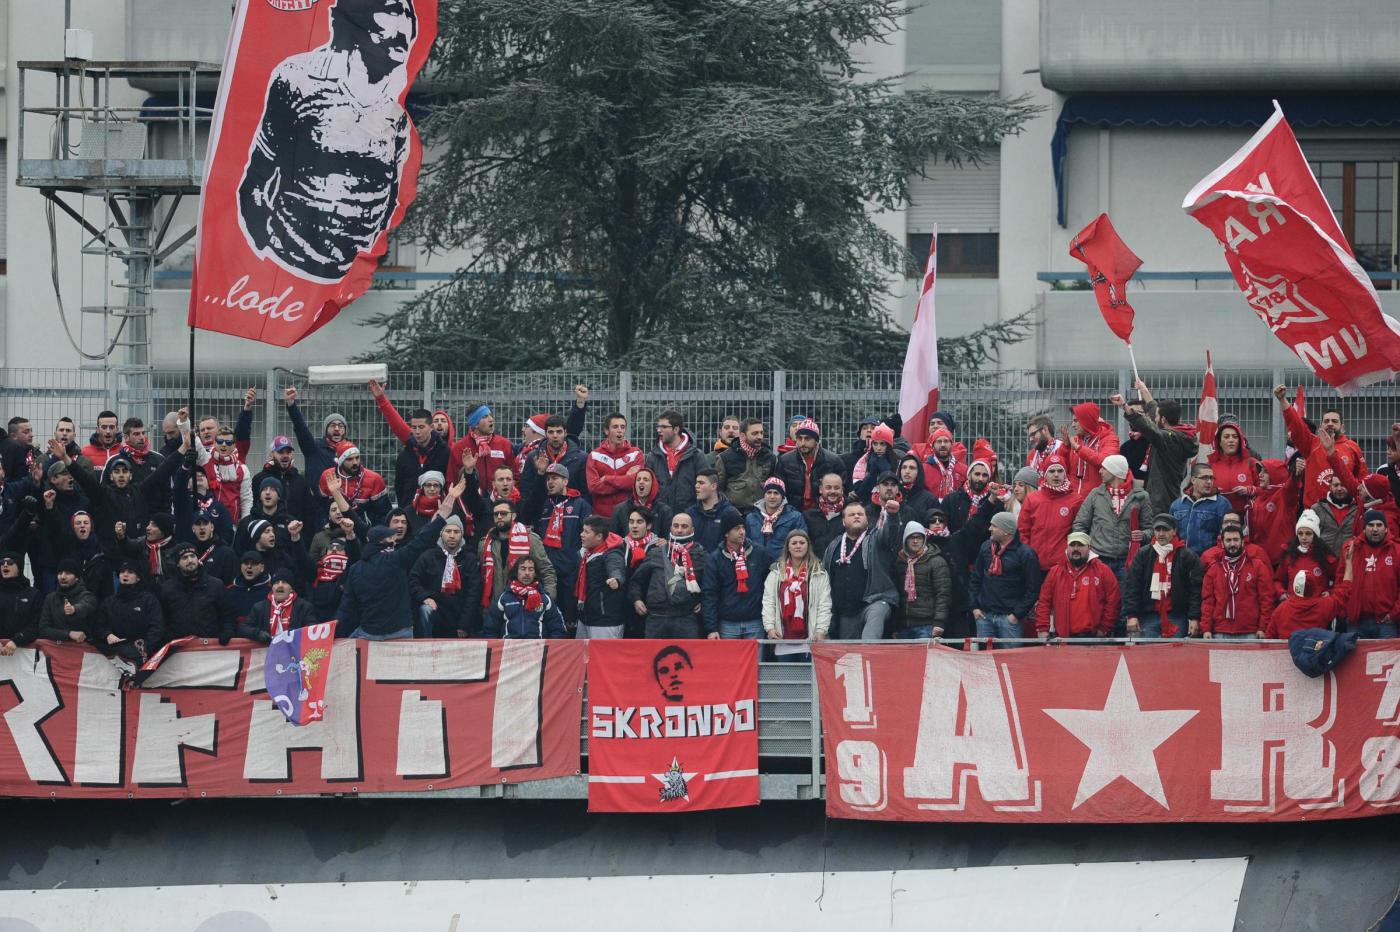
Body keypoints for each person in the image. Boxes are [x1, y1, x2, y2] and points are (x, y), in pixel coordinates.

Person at [238, 0, 418, 278]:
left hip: (349, 274)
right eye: (394, 10)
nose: (406, 23)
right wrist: (263, 252)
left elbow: (391, 196)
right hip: (286, 261)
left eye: (408, 14)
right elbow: (259, 174)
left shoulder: (396, 108)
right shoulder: (299, 79)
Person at [339, 478, 464, 640]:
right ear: (385, 541)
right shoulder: (396, 559)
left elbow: (347, 608)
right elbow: (422, 540)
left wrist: (335, 633)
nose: (397, 532)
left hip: (369, 632)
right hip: (400, 631)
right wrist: (444, 513)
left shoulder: (356, 568)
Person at [1112, 380, 1198, 516]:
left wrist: (1125, 406)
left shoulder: (1169, 439)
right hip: (1163, 496)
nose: (1154, 419)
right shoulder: (1180, 434)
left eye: (1156, 417)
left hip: (1161, 501)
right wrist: (1144, 391)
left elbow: (1150, 429)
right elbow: (1154, 411)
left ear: (1163, 420)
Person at [1275, 384, 1367, 507]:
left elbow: (1362, 478)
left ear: (1342, 427)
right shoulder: (1311, 443)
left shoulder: (1353, 447)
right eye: (1326, 421)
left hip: (1346, 509)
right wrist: (1283, 400)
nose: (1330, 424)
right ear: (1321, 425)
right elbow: (1296, 425)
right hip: (1314, 510)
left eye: (1334, 421)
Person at [524, 463, 591, 630]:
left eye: (554, 478)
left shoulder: (580, 504)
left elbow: (588, 534)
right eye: (548, 479)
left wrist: (577, 559)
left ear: (565, 481)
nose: (550, 482)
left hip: (570, 569)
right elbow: (526, 515)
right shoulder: (542, 504)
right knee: (546, 614)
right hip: (546, 570)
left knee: (569, 618)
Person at [821, 500, 901, 639]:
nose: (856, 516)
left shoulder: (876, 539)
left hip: (874, 601)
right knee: (850, 651)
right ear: (843, 521)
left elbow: (890, 534)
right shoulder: (834, 546)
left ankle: (869, 649)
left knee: (873, 625)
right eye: (851, 514)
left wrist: (892, 516)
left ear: (866, 519)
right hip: (847, 612)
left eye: (860, 514)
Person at [367, 379, 454, 507]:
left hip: (438, 510)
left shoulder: (446, 452)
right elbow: (399, 486)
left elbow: (451, 483)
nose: (417, 432)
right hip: (410, 510)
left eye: (421, 427)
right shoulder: (406, 453)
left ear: (431, 427)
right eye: (414, 427)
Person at [629, 513, 711, 639]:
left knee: (687, 653)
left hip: (687, 618)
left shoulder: (702, 555)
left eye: (684, 526)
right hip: (656, 618)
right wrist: (636, 600)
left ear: (692, 530)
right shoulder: (655, 553)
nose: (679, 530)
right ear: (671, 528)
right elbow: (636, 581)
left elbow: (712, 586)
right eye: (676, 526)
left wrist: (703, 602)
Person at [1123, 514, 1203, 639]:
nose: (1161, 534)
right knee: (1147, 651)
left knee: (1174, 651)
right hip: (1149, 615)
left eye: (1165, 529)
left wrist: (1194, 617)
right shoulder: (1143, 554)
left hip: (1177, 616)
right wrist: (1132, 615)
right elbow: (1132, 586)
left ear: (1174, 531)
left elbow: (1195, 590)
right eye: (1157, 529)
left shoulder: (1187, 556)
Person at [970, 511, 1042, 644]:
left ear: (1006, 531)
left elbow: (1033, 588)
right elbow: (976, 578)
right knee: (984, 656)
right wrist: (975, 607)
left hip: (1009, 619)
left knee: (1011, 656)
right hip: (984, 616)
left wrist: (1016, 615)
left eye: (994, 526)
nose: (990, 529)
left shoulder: (1026, 554)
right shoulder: (985, 548)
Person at [1034, 531, 1120, 640]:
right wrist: (1042, 628)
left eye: (1080, 545)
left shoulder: (1103, 571)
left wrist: (1104, 628)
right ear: (1067, 548)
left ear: (1089, 548)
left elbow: (1113, 600)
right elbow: (1044, 602)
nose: (1076, 549)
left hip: (1094, 639)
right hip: (1063, 639)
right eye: (1072, 545)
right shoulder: (1055, 572)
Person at [703, 510, 771, 640]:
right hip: (727, 624)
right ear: (726, 533)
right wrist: (711, 628)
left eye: (743, 527)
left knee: (756, 656)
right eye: (736, 529)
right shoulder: (715, 558)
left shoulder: (759, 553)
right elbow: (710, 594)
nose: (742, 532)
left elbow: (770, 588)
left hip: (755, 622)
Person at [1269, 537, 1355, 640]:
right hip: (1315, 649)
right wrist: (1348, 562)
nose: (1304, 537)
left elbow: (1269, 636)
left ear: (1295, 587)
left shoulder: (1281, 610)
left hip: (1288, 649)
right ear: (1314, 587)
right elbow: (1346, 588)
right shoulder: (1324, 606)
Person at [410, 514, 481, 638]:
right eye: (448, 531)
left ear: (462, 534)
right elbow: (413, 580)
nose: (452, 535)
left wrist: (464, 625)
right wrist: (424, 597)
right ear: (441, 533)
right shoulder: (428, 556)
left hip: (459, 618)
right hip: (435, 613)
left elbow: (473, 594)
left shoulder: (470, 559)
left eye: (456, 532)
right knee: (424, 610)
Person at [762, 528, 831, 653]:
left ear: (808, 546)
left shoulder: (819, 572)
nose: (798, 546)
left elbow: (824, 605)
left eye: (802, 543)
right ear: (788, 547)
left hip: (811, 639)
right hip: (782, 638)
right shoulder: (776, 572)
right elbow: (768, 602)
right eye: (794, 543)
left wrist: (821, 630)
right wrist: (770, 628)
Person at [479, 499, 556, 608]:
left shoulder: (530, 539)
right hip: (494, 607)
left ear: (513, 516)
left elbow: (546, 570)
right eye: (496, 514)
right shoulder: (485, 544)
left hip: (524, 605)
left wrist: (548, 600)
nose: (499, 517)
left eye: (503, 513)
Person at [1200, 526, 1274, 640]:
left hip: (1250, 631)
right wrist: (1206, 629)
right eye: (1228, 540)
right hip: (1220, 630)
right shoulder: (1214, 569)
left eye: (1236, 539)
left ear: (1242, 541)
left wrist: (1263, 627)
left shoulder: (1257, 566)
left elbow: (1266, 599)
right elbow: (1208, 602)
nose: (1232, 544)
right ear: (1222, 543)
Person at [160, 543, 237, 643]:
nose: (190, 560)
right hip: (178, 647)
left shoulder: (216, 585)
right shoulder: (167, 589)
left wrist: (227, 632)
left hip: (210, 646)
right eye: (184, 558)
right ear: (177, 563)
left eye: (192, 556)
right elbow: (162, 620)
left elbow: (228, 616)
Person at [94, 561, 165, 667]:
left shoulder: (149, 600)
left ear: (138, 578)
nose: (125, 574)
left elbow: (157, 628)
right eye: (122, 572)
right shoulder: (108, 602)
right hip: (114, 657)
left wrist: (144, 647)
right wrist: (107, 635)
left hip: (141, 655)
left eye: (130, 572)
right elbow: (99, 626)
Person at [1343, 510, 1400, 638]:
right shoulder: (1351, 549)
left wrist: (1394, 614)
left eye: (1379, 525)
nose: (1375, 529)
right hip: (1356, 621)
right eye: (1370, 525)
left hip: (1386, 622)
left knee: (1386, 653)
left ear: (1386, 528)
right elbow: (1341, 581)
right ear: (1364, 529)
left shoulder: (1397, 551)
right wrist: (1345, 611)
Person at [1017, 455, 1081, 571]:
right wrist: (1028, 557)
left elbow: (1079, 532)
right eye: (1051, 471)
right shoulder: (1032, 499)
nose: (1056, 475)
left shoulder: (1076, 500)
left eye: (1060, 471)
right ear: (1045, 474)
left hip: (1062, 566)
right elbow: (1023, 531)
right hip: (1034, 564)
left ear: (1065, 474)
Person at [892, 522, 952, 638]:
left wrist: (939, 622)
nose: (915, 541)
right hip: (903, 627)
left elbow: (943, 594)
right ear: (905, 540)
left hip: (927, 626)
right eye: (912, 537)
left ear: (924, 539)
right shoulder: (900, 562)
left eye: (919, 537)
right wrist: (894, 626)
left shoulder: (936, 561)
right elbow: (896, 596)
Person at [483, 557, 567, 639]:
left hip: (537, 646)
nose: (527, 573)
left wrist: (549, 647)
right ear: (516, 572)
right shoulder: (504, 598)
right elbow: (490, 629)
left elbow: (558, 629)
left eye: (531, 569)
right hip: (510, 646)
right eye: (523, 569)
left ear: (535, 573)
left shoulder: (545, 599)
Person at [776, 418, 845, 514]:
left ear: (816, 440)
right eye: (799, 438)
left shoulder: (833, 461)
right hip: (793, 512)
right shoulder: (785, 460)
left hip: (823, 514)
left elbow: (843, 489)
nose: (803, 443)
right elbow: (778, 489)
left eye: (807, 439)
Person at [645, 409, 706, 516]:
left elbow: (705, 486)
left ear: (676, 429)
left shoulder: (696, 456)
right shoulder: (652, 457)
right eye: (658, 427)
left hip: (689, 517)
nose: (659, 430)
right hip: (660, 517)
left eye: (664, 427)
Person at [575, 516, 627, 638]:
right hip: (585, 617)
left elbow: (616, 568)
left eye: (586, 532)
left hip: (605, 621)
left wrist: (616, 579)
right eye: (582, 530)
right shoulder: (585, 553)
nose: (582, 534)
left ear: (599, 536)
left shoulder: (612, 553)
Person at [586, 412, 644, 519]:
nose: (619, 430)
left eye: (622, 427)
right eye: (615, 427)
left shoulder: (636, 454)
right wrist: (625, 478)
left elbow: (636, 483)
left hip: (628, 516)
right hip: (602, 517)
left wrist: (608, 479)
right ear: (606, 430)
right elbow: (593, 487)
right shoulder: (594, 455)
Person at [521, 413, 590, 504]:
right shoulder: (533, 457)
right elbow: (526, 492)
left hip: (571, 509)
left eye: (559, 431)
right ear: (545, 434)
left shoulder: (581, 458)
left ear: (565, 433)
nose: (555, 436)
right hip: (542, 509)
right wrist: (540, 473)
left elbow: (585, 493)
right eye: (551, 432)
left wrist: (578, 510)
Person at [450, 401, 517, 493]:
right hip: (471, 499)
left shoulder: (504, 444)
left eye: (490, 415)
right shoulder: (459, 448)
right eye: (485, 417)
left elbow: (514, 475)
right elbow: (452, 480)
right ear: (475, 423)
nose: (491, 419)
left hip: (500, 499)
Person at [320, 441, 391, 526]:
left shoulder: (374, 479)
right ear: (340, 461)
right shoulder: (328, 476)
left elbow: (384, 513)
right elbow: (321, 507)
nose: (355, 462)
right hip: (334, 529)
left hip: (364, 528)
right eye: (349, 459)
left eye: (357, 458)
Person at [715, 417, 776, 513]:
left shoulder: (769, 457)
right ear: (742, 436)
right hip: (735, 515)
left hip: (762, 514)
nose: (760, 437)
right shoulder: (725, 458)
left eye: (761, 433)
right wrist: (729, 511)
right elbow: (718, 491)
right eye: (755, 433)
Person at [1277, 510, 1337, 604]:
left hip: (1318, 607)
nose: (1304, 537)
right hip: (1294, 606)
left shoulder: (1325, 556)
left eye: (1308, 533)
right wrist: (1281, 593)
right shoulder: (1289, 556)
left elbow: (1339, 580)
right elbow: (1278, 581)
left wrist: (1330, 592)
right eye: (1300, 534)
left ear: (1315, 535)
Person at [1170, 462, 1232, 554]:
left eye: (1211, 478)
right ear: (1193, 480)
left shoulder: (1222, 504)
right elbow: (1171, 535)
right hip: (1182, 558)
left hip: (1209, 559)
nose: (1209, 482)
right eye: (1204, 478)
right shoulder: (1177, 505)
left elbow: (1229, 534)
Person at [251, 435, 313, 524]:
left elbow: (309, 511)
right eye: (280, 452)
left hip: (295, 530)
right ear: (272, 454)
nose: (285, 456)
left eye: (288, 452)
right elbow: (254, 507)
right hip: (266, 529)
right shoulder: (259, 479)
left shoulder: (300, 481)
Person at [1063, 402, 1120, 497]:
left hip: (1098, 499)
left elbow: (1106, 461)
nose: (1073, 425)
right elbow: (1062, 468)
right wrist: (1065, 448)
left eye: (1076, 421)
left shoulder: (1110, 438)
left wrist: (1079, 449)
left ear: (1086, 421)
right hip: (1073, 498)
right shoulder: (1075, 441)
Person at [36, 559, 97, 643]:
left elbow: (85, 606)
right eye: (60, 573)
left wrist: (74, 609)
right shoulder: (50, 598)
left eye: (68, 573)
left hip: (81, 647)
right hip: (56, 647)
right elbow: (43, 629)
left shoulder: (88, 596)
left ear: (76, 578)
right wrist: (68, 634)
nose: (63, 577)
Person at [745, 475, 805, 560]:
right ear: (764, 495)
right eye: (769, 492)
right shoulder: (751, 518)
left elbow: (802, 545)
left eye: (776, 493)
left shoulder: (795, 517)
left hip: (782, 564)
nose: (772, 496)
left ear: (782, 496)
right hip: (756, 563)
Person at [1209, 419, 1261, 514]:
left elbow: (1266, 490)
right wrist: (1210, 491)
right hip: (1216, 516)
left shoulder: (1252, 463)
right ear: (1219, 442)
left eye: (1235, 437)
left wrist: (1250, 490)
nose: (1231, 440)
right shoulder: (1210, 465)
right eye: (1226, 437)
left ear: (1240, 441)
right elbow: (1194, 490)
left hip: (1246, 516)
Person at [246, 571, 317, 641]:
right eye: (276, 583)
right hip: (267, 648)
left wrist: (294, 633)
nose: (280, 585)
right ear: (272, 588)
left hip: (294, 647)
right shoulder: (259, 607)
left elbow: (313, 628)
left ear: (291, 589)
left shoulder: (304, 606)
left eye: (284, 582)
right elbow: (244, 628)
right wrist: (257, 633)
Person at [687, 469, 742, 553]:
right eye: (696, 483)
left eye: (701, 483)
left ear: (713, 486)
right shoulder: (691, 513)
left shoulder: (730, 513)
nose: (696, 486)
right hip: (694, 560)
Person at [609, 466, 671, 540]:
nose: (641, 482)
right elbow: (613, 538)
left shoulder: (664, 510)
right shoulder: (620, 509)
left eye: (646, 479)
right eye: (638, 479)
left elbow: (668, 538)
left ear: (653, 485)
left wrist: (665, 542)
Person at [1312, 471, 1361, 557]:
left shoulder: (1358, 509)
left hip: (1350, 559)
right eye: (1336, 485)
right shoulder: (1317, 509)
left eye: (1343, 485)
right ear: (1330, 486)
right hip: (1324, 560)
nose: (1339, 488)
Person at [0, 552, 42, 652]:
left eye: (10, 562)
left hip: (25, 653)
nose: (5, 565)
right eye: (2, 562)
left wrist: (17, 640)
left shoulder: (33, 594)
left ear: (19, 567)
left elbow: (35, 625)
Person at [848, 423, 901, 495]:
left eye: (882, 444)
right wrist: (872, 473)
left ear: (888, 445)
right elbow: (859, 492)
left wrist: (886, 471)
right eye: (875, 444)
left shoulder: (898, 462)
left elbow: (901, 489)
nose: (878, 448)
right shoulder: (864, 461)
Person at [803, 472, 847, 555]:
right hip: (815, 561)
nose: (832, 491)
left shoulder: (849, 515)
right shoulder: (808, 516)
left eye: (837, 488)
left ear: (842, 490)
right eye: (828, 488)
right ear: (820, 489)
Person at [191, 510, 240, 584]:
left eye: (205, 523)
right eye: (198, 524)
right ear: (193, 529)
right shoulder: (189, 552)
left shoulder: (226, 553)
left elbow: (232, 583)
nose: (202, 527)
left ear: (212, 527)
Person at [919, 428, 967, 501]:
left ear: (951, 444)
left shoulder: (963, 469)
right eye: (939, 441)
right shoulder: (923, 469)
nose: (943, 445)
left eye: (946, 441)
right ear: (933, 445)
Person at [227, 551, 273, 627]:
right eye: (246, 563)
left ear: (262, 568)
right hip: (234, 633)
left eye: (254, 563)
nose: (249, 566)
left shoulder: (271, 591)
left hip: (261, 632)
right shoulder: (229, 590)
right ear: (241, 566)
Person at [1024, 414, 1067, 479]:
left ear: (1045, 429)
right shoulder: (1031, 455)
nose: (1031, 439)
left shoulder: (1063, 448)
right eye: (1029, 436)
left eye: (1033, 434)